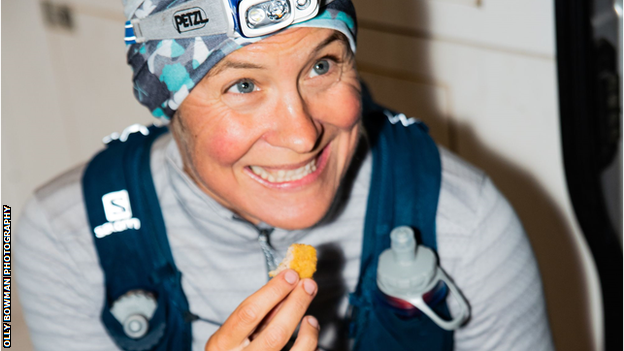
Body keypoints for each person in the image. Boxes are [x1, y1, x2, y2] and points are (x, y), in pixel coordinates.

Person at [16, 0, 555, 350]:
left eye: (321, 67)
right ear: (167, 104)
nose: (301, 136)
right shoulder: (61, 234)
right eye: (243, 86)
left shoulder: (462, 221)